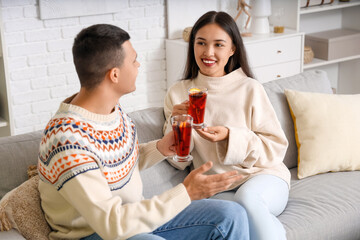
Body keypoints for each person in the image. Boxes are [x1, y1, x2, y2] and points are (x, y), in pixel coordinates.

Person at [37, 24, 250, 240]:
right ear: (114, 75)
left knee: (231, 214)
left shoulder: (111, 110)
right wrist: (186, 193)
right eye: (134, 60)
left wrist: (159, 148)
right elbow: (112, 225)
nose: (139, 65)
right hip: (95, 233)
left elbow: (112, 164)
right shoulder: (66, 141)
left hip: (132, 217)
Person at [163, 11, 290, 240]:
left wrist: (230, 136)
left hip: (262, 177)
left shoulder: (250, 88)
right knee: (231, 216)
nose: (208, 52)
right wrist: (177, 125)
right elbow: (178, 162)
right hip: (217, 187)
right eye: (200, 43)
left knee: (247, 201)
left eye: (218, 45)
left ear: (232, 49)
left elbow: (276, 147)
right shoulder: (178, 93)